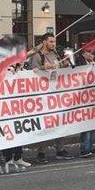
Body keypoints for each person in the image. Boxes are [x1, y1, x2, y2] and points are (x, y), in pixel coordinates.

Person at [28, 33, 71, 163]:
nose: (53, 44)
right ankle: (41, 152)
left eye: (54, 42)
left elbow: (60, 70)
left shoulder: (56, 55)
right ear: (44, 42)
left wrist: (66, 64)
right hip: (44, 95)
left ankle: (60, 149)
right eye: (51, 41)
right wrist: (43, 68)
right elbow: (33, 73)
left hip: (57, 94)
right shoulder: (37, 56)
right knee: (45, 123)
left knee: (60, 121)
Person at [77, 50, 95, 158]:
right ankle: (85, 148)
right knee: (87, 125)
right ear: (83, 54)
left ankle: (91, 146)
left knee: (94, 124)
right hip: (85, 100)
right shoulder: (80, 65)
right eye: (90, 52)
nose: (92, 54)